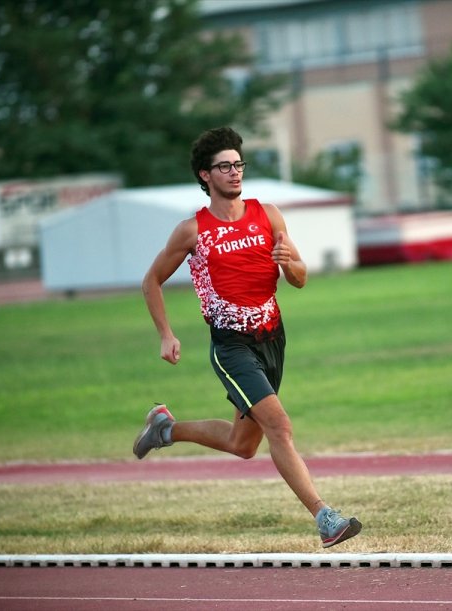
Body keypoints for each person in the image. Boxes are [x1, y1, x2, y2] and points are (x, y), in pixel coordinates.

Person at [134, 126, 361, 549]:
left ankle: (166, 428)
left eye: (238, 165)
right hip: (232, 347)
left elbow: (299, 279)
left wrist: (288, 262)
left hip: (273, 339)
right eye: (225, 167)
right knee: (280, 425)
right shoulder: (192, 231)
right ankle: (325, 518)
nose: (235, 173)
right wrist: (166, 334)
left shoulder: (269, 214)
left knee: (243, 444)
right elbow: (151, 282)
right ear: (206, 175)